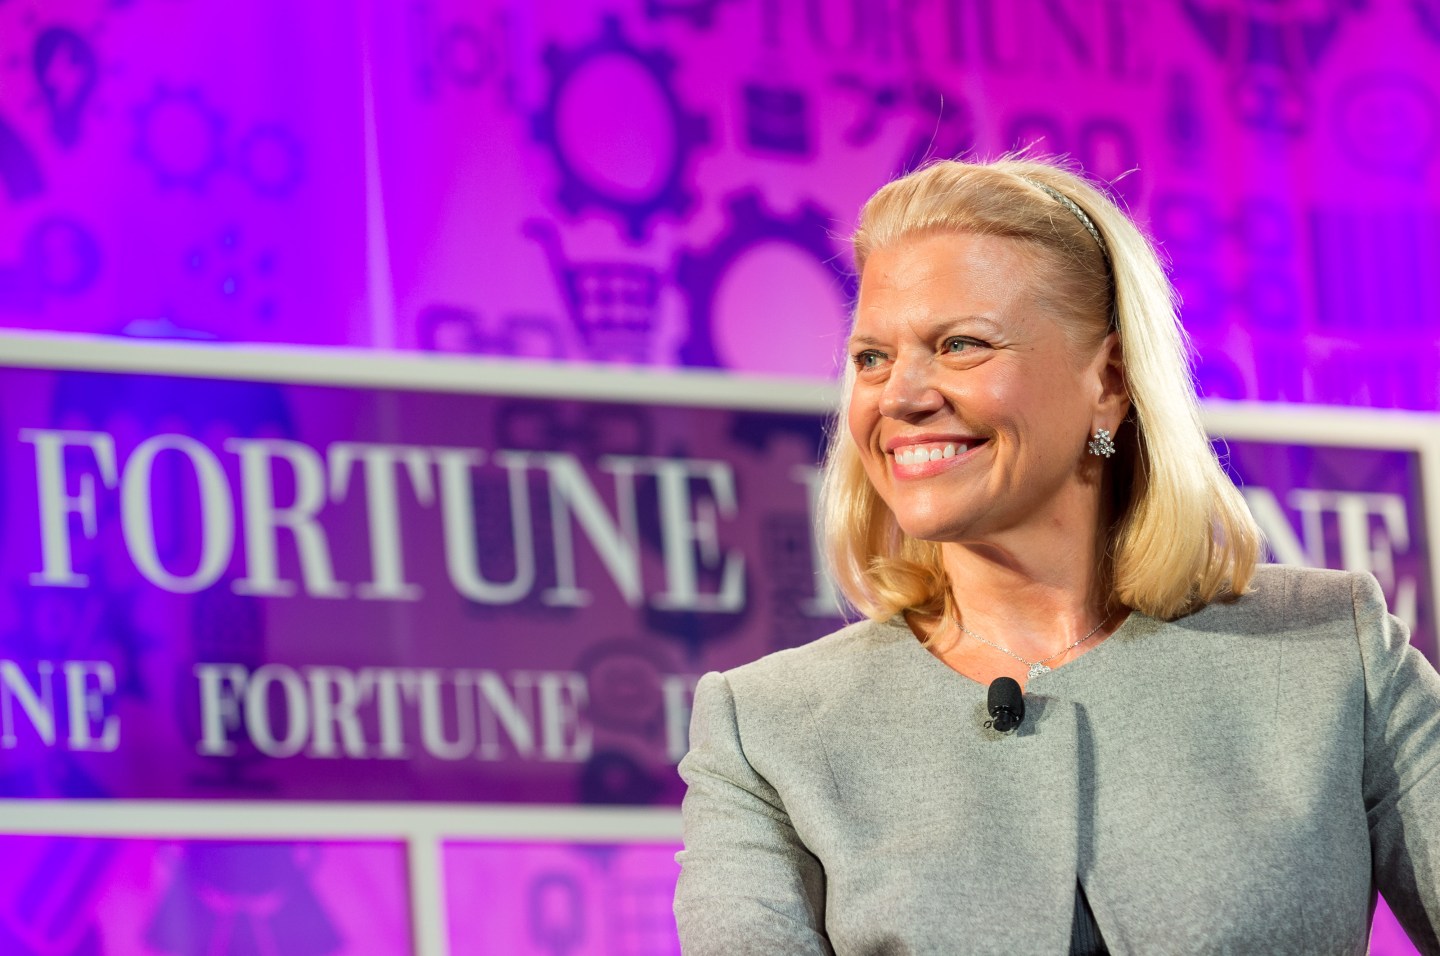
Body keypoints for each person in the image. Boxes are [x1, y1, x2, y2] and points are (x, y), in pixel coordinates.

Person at [672, 156, 1440, 954]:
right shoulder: (766, 729)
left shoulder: (1331, 651)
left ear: (1108, 382)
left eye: (960, 344)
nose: (899, 396)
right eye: (872, 358)